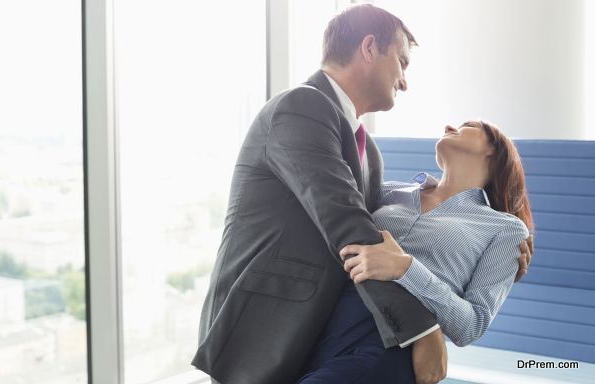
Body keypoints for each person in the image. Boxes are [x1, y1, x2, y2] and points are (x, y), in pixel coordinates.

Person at [192, 5, 531, 384]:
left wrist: (414, 271)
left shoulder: (371, 154)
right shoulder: (301, 107)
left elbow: (471, 320)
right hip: (286, 325)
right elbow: (346, 218)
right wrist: (422, 328)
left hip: (373, 341)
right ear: (369, 47)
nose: (404, 81)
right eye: (401, 62)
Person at [298, 120, 534, 383]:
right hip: (323, 326)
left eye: (468, 125)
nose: (448, 125)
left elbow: (471, 325)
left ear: (493, 147)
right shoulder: (387, 192)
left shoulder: (505, 228)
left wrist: (405, 268)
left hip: (393, 346)